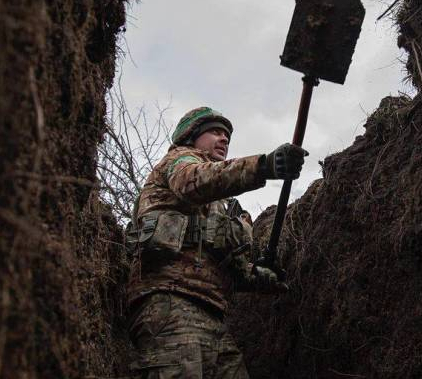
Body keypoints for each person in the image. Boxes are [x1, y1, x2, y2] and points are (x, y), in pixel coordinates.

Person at [125, 106, 307, 379]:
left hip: (213, 316)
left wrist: (258, 277)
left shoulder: (220, 206)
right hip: (170, 303)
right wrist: (263, 166)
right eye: (214, 132)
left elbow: (222, 263)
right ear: (191, 136)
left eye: (227, 135)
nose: (223, 139)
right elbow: (193, 182)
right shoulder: (179, 162)